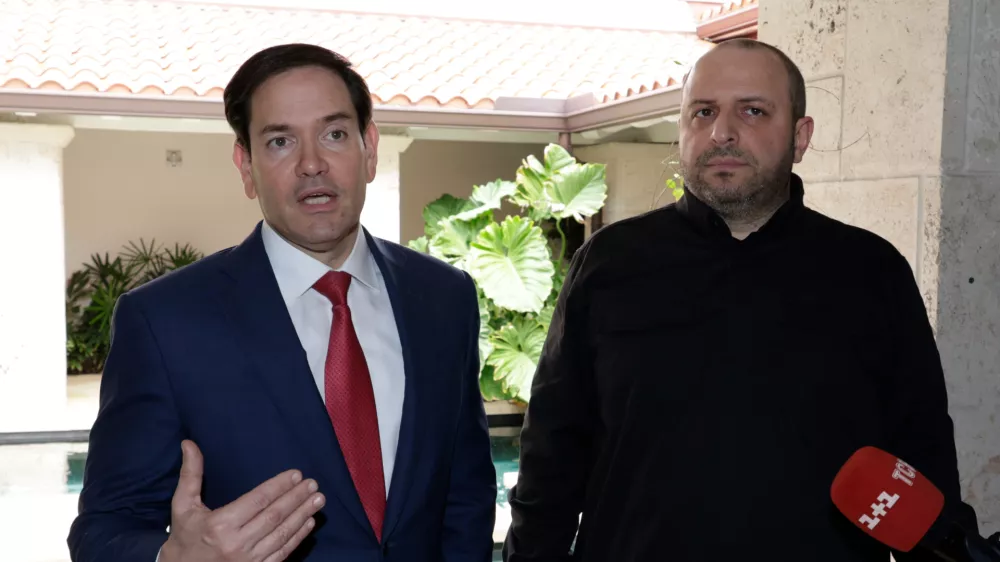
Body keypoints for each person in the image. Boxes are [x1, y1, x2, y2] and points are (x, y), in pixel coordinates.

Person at [502, 38, 967, 562]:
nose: (722, 132)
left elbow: (923, 459)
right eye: (703, 112)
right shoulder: (609, 263)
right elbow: (551, 457)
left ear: (801, 135)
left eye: (753, 110)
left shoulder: (872, 272)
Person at [68, 43, 496, 562]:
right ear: (245, 166)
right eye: (279, 142)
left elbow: (465, 494)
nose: (312, 164)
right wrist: (173, 559)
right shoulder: (165, 322)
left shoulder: (444, 298)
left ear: (370, 148)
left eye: (334, 134)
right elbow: (103, 531)